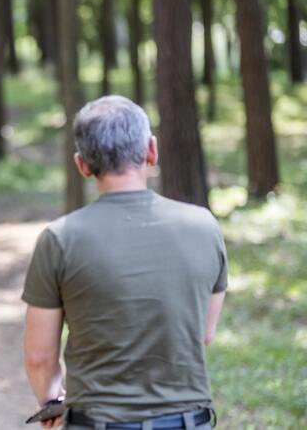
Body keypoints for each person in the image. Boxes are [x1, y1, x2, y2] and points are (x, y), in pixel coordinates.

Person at [22, 95, 228, 429]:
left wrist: (50, 401)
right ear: (151, 150)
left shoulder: (59, 238)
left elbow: (39, 356)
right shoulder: (204, 226)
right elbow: (203, 331)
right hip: (188, 423)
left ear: (82, 164)